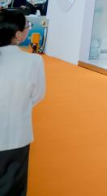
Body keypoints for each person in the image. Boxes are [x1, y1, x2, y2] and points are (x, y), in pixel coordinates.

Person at [0, 11, 45, 196]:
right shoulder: (33, 61)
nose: (29, 29)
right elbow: (38, 95)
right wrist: (18, 105)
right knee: (12, 187)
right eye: (28, 26)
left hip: (14, 137)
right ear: (18, 34)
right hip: (15, 136)